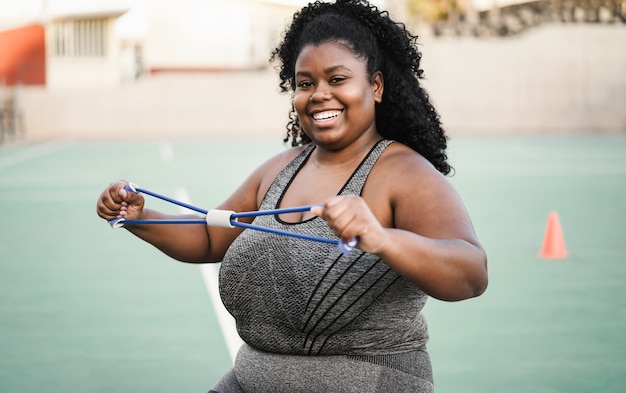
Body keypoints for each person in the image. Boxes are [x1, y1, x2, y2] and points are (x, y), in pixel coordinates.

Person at [96, 0, 488, 391]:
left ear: (376, 86)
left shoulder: (405, 173)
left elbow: (471, 274)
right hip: (252, 380)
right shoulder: (278, 170)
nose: (319, 94)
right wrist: (138, 217)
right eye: (305, 83)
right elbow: (211, 236)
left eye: (337, 79)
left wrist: (384, 239)